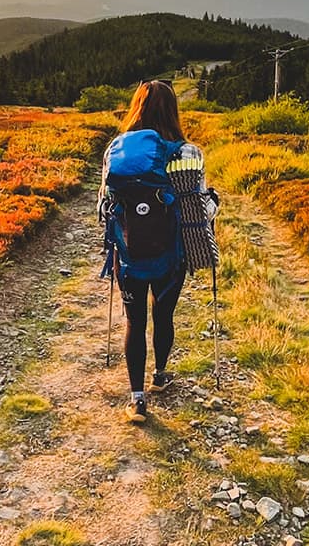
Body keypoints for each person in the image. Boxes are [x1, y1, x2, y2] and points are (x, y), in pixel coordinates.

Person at [98, 80, 214, 423]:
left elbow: (103, 207)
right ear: (173, 110)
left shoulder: (114, 149)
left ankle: (136, 400)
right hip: (171, 254)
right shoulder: (188, 152)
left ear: (137, 107)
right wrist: (215, 205)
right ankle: (160, 377)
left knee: (135, 321)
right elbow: (201, 210)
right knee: (163, 316)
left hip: (129, 255)